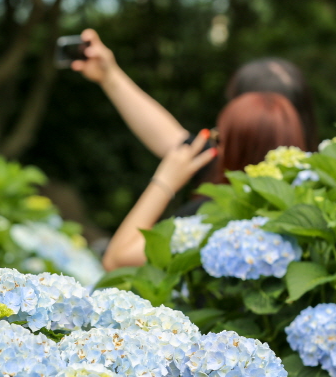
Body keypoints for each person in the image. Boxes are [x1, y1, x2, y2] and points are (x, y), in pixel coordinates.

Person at [71, 30, 308, 270]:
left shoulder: (213, 222)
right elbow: (171, 137)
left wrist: (164, 182)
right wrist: (109, 76)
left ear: (242, 129)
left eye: (221, 135)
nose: (214, 141)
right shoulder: (312, 197)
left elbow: (116, 259)